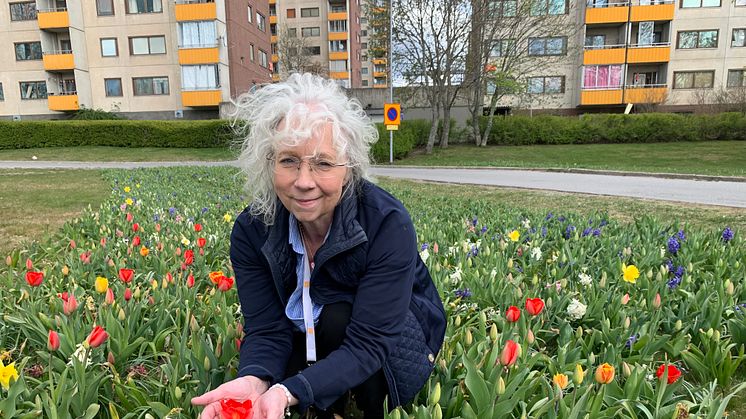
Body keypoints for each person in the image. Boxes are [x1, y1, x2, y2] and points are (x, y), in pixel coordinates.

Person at [191, 73, 446, 419]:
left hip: (388, 343)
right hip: (311, 337)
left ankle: (358, 403)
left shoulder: (386, 222)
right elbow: (267, 328)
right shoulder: (251, 231)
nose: (304, 182)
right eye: (288, 161)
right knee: (281, 374)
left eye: (323, 163)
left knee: (338, 316)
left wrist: (292, 388)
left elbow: (370, 341)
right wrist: (256, 379)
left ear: (349, 168)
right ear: (268, 163)